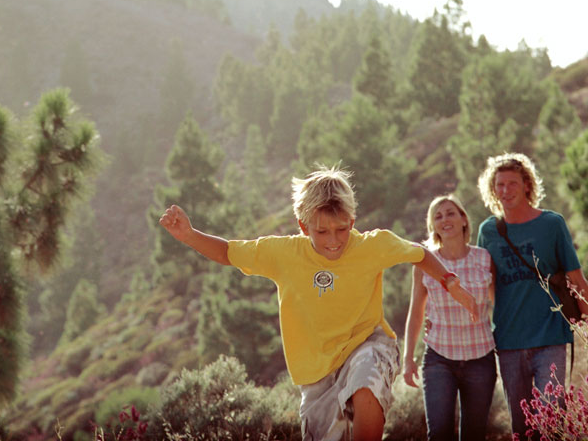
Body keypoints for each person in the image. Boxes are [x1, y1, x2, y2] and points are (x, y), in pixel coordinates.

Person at [160, 165, 479, 441]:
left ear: (352, 221)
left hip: (368, 343)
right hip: (316, 374)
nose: (333, 240)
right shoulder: (284, 254)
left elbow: (419, 253)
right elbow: (228, 252)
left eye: (342, 229)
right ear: (303, 226)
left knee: (365, 382)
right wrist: (189, 235)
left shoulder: (373, 245)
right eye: (321, 231)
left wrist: (449, 282)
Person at [477, 152, 588, 440]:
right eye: (499, 185)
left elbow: (576, 279)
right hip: (509, 340)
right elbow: (483, 286)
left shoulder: (552, 224)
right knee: (522, 427)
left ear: (527, 185)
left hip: (550, 337)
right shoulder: (488, 231)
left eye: (512, 183)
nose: (505, 191)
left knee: (552, 419)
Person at [403, 194, 496, 441]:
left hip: (481, 360)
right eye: (438, 216)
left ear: (464, 219)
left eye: (451, 213)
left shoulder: (484, 258)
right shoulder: (424, 263)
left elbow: (498, 305)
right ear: (432, 226)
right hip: (439, 360)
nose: (445, 219)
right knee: (439, 434)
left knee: (474, 435)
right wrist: (408, 358)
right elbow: (416, 312)